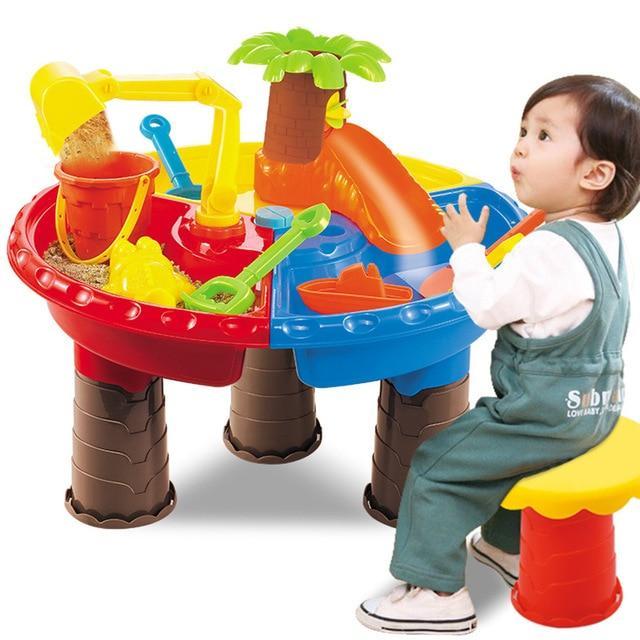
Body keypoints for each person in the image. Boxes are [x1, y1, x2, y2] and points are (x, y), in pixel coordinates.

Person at [356, 75, 640, 635]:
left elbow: (485, 306)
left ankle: (438, 591)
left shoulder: (548, 250)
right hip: (593, 409)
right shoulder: (601, 236)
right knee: (505, 459)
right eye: (523, 131)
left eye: (544, 136)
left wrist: (466, 251)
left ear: (594, 174)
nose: (521, 148)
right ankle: (507, 546)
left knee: (438, 464)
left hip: (540, 415)